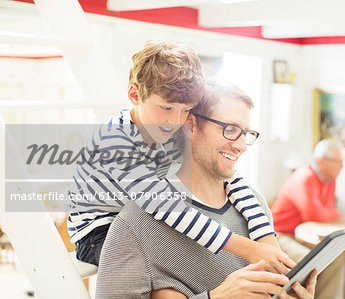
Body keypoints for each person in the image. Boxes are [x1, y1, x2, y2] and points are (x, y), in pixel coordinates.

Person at [67, 40, 290, 273]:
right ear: (135, 94)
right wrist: (250, 250)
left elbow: (231, 179)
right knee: (178, 258)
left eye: (185, 110)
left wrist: (265, 237)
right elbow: (167, 207)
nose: (175, 120)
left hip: (138, 219)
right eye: (167, 108)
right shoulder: (114, 141)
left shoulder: (168, 128)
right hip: (97, 234)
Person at [95, 79, 317, 299]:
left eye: (246, 134)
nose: (241, 146)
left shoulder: (255, 203)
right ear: (191, 126)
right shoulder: (135, 224)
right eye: (230, 130)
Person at [270, 138, 345, 299]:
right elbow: (316, 215)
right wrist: (332, 214)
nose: (342, 166)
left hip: (303, 236)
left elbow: (328, 212)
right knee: (316, 264)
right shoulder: (305, 178)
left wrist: (329, 213)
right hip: (280, 236)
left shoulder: (330, 180)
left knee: (337, 258)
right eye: (338, 161)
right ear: (322, 161)